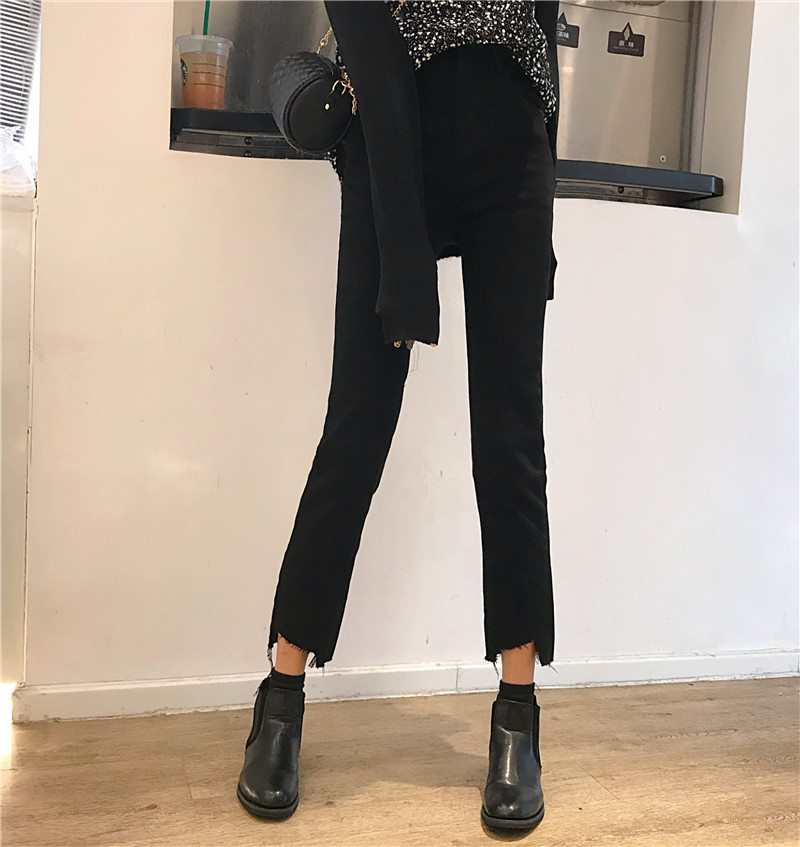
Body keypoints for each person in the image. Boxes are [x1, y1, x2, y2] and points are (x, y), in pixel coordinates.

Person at [238, 0, 560, 833]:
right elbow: (366, 36)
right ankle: (281, 693)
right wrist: (404, 252)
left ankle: (518, 713)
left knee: (511, 437)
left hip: (513, 139)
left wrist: (546, 193)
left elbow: (541, 20)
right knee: (358, 425)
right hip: (392, 129)